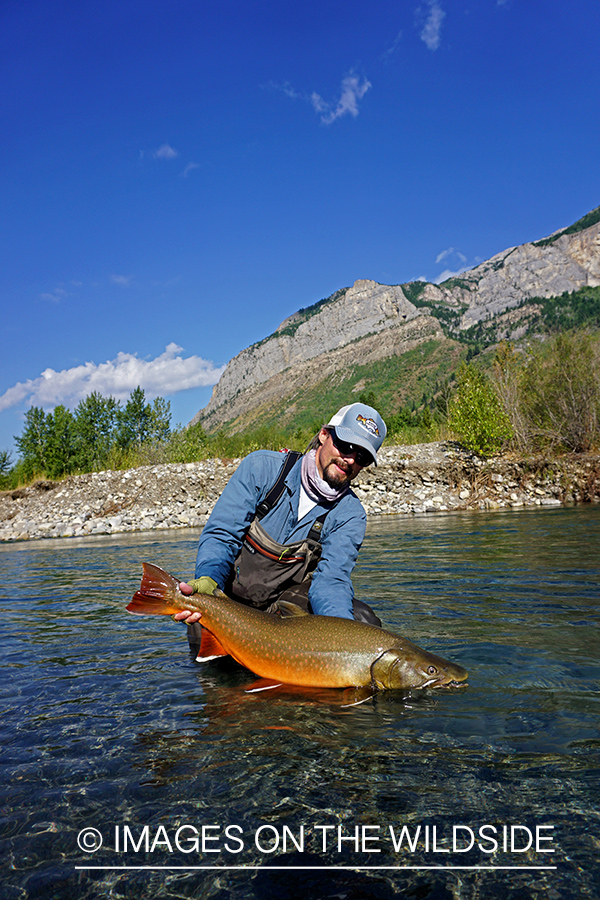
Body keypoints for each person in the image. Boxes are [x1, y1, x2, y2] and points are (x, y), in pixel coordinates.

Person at [174, 403, 387, 641]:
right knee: (214, 664)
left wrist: (343, 639)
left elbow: (331, 580)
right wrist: (208, 580)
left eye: (363, 457)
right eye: (346, 446)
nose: (350, 459)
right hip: (227, 602)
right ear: (324, 434)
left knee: (362, 620)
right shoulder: (261, 469)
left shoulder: (350, 513)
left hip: (284, 614)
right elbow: (223, 535)